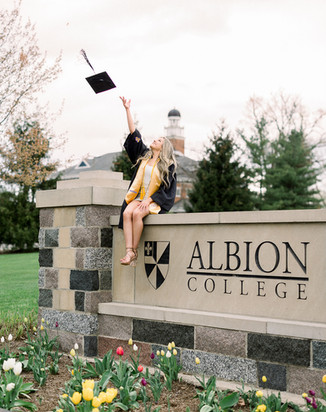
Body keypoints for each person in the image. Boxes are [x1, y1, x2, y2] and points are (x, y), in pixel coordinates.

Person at [118, 96, 177, 266]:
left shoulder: (168, 166)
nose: (155, 140)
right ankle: (129, 251)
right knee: (126, 213)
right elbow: (133, 133)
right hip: (137, 197)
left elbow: (167, 190)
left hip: (152, 201)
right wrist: (127, 109)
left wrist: (149, 200)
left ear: (163, 147)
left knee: (137, 214)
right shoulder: (144, 156)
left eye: (158, 140)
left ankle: (133, 252)